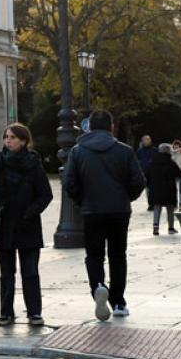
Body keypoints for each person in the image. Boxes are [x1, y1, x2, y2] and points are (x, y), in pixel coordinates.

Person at [62, 110, 146, 321]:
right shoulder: (124, 151)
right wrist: (126, 197)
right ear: (111, 126)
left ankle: (98, 286)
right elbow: (139, 181)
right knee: (118, 255)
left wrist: (83, 200)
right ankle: (118, 301)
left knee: (94, 254)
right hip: (119, 210)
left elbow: (69, 183)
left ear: (90, 127)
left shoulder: (78, 151)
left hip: (92, 210)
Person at [0, 124, 53, 327]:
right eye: (6, 137)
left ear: (23, 141)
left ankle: (34, 313)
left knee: (30, 272)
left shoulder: (33, 163)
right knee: (6, 273)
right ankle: (6, 313)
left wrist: (29, 212)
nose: (8, 141)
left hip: (28, 225)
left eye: (12, 137)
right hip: (4, 225)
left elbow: (46, 194)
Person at [147, 143, 181, 235]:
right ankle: (170, 228)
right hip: (169, 188)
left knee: (157, 207)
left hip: (155, 188)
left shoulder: (152, 162)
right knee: (170, 208)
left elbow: (147, 174)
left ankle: (155, 227)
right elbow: (178, 173)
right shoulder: (171, 162)